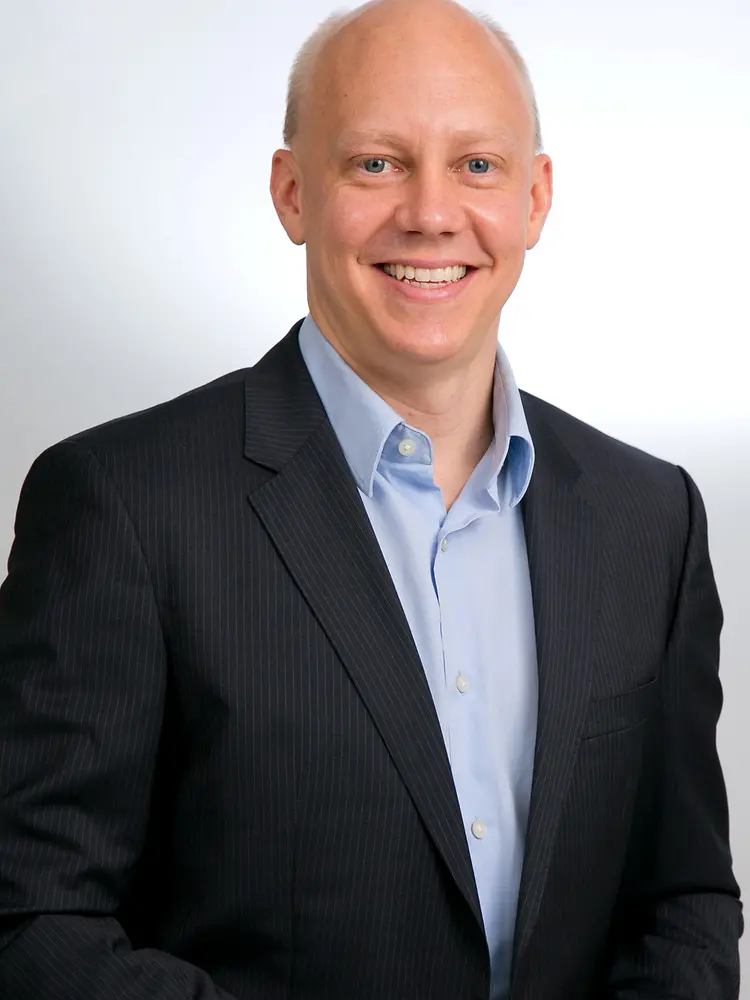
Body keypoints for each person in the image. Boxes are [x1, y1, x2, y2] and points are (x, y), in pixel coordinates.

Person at [0, 0, 742, 997]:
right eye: (376, 163)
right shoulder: (122, 506)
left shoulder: (648, 518)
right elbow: (33, 918)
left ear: (535, 197)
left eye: (477, 165)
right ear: (292, 192)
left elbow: (683, 898)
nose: (431, 213)